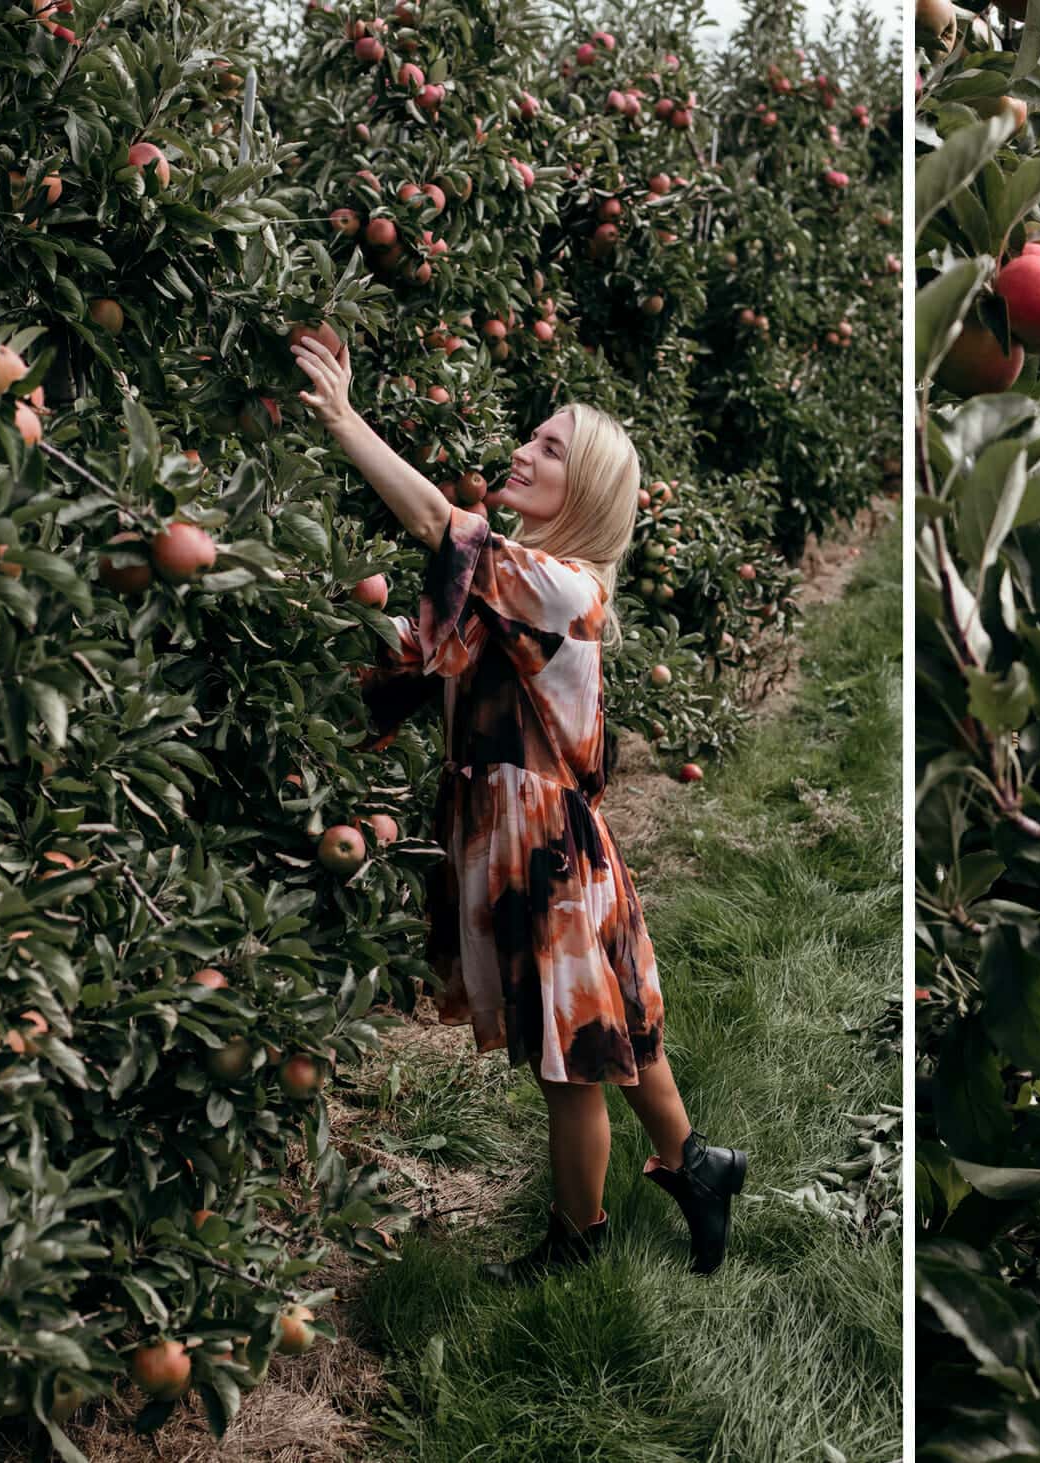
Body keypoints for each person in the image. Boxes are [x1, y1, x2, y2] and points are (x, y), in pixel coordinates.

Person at [290, 332, 747, 1279]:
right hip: (536, 834)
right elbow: (418, 654)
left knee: (570, 1058)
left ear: (581, 490)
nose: (524, 453)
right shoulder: (516, 591)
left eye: (549, 448)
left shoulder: (562, 587)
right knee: (614, 1019)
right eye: (530, 438)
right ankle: (697, 1166)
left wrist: (343, 419)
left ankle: (578, 1242)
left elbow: (443, 527)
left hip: (540, 844)